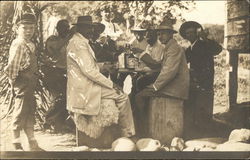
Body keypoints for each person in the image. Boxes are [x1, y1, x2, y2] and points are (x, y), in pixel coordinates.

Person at [66, 16, 135, 139]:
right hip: (86, 87)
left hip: (86, 83)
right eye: (87, 28)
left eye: (91, 28)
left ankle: (120, 133)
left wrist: (104, 66)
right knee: (123, 97)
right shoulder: (78, 44)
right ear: (79, 28)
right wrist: (111, 84)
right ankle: (127, 134)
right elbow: (89, 71)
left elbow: (87, 66)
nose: (91, 31)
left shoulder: (80, 41)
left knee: (120, 94)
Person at [135, 21, 190, 138]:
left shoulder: (174, 48)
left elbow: (169, 71)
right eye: (159, 34)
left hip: (175, 88)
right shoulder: (169, 47)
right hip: (171, 85)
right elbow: (162, 66)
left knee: (139, 97)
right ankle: (146, 127)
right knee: (141, 86)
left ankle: (143, 130)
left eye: (163, 34)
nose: (160, 37)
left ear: (171, 34)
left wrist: (155, 86)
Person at [4, 14, 43, 151]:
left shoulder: (30, 44)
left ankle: (32, 142)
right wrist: (13, 83)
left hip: (30, 82)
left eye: (31, 28)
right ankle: (16, 142)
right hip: (22, 82)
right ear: (16, 29)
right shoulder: (18, 44)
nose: (28, 31)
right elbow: (12, 66)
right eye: (24, 28)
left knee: (29, 110)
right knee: (20, 111)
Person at [179, 21, 222, 135]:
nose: (190, 35)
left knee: (204, 111)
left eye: (192, 32)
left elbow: (218, 49)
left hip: (205, 83)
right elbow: (183, 62)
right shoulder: (189, 49)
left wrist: (206, 39)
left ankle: (206, 133)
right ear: (185, 35)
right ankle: (195, 131)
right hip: (194, 82)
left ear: (197, 33)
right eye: (187, 33)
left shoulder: (205, 45)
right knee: (194, 109)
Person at [42, 19, 74, 132]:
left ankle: (59, 124)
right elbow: (56, 48)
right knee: (60, 97)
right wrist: (68, 37)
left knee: (66, 97)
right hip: (52, 72)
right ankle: (48, 121)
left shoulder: (67, 40)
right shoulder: (52, 39)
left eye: (67, 27)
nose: (66, 30)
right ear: (57, 29)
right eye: (63, 27)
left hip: (64, 72)